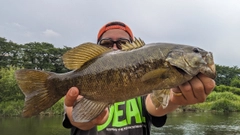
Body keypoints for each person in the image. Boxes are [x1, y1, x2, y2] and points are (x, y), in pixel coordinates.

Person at [62, 21, 215, 135]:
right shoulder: (77, 90)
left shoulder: (145, 91)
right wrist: (82, 118)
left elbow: (156, 105)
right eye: (106, 43)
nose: (115, 47)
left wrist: (176, 99)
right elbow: (74, 112)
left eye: (123, 43)